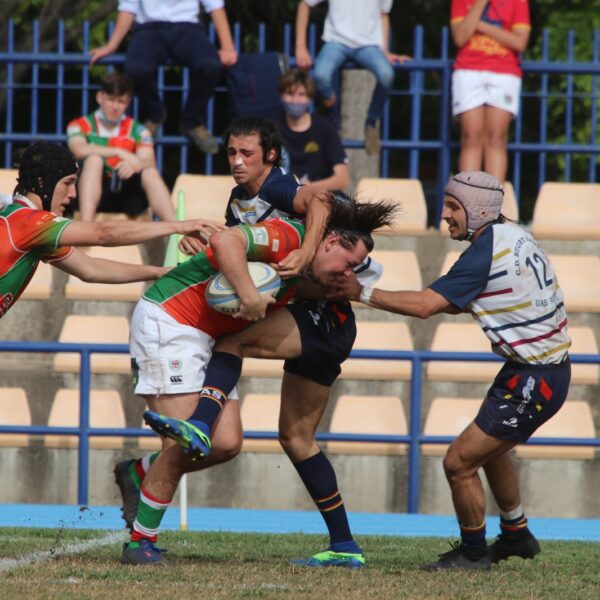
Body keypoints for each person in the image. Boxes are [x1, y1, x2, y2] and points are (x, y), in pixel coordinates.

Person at [115, 116, 391, 569]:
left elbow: (310, 205)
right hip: (172, 320)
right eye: (231, 153)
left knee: (226, 443)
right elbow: (228, 242)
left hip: (213, 329)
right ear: (332, 240)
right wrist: (242, 287)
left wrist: (281, 266)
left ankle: (142, 471)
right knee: (198, 441)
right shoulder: (277, 228)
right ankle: (140, 541)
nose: (238, 162)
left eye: (247, 153)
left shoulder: (286, 211)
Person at [331, 171, 571, 570]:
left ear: (478, 210)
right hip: (535, 370)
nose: (444, 215)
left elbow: (426, 305)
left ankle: (474, 553)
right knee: (491, 451)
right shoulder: (514, 235)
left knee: (458, 462)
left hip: (535, 377)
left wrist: (361, 292)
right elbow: (462, 299)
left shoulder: (483, 252)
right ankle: (516, 534)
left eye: (453, 207)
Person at [0, 140, 223, 318]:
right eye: (67, 183)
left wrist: (160, 272)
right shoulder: (29, 222)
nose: (73, 194)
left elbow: (90, 269)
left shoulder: (29, 226)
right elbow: (104, 234)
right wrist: (178, 226)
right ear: (42, 184)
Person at [89, 0, 238, 154]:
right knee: (136, 69)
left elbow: (215, 6)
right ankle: (155, 114)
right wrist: (111, 45)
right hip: (149, 28)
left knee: (210, 66)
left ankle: (192, 121)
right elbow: (128, 8)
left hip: (189, 28)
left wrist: (228, 46)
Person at [295, 0, 409, 155]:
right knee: (321, 75)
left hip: (368, 45)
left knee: (386, 75)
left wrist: (384, 50)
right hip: (335, 42)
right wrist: (300, 46)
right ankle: (332, 114)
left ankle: (371, 122)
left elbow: (383, 16)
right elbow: (305, 4)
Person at [67, 73, 175, 223]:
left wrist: (135, 164)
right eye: (111, 100)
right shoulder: (79, 125)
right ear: (99, 97)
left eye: (121, 101)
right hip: (89, 193)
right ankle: (86, 228)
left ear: (128, 102)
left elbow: (149, 160)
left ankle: (176, 231)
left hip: (126, 192)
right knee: (94, 160)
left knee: (149, 171)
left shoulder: (138, 130)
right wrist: (120, 152)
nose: (115, 107)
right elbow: (78, 149)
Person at [450, 0, 531, 182]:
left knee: (497, 137)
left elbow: (519, 42)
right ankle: (468, 200)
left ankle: (492, 202)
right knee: (471, 137)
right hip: (468, 70)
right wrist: (480, 4)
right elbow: (460, 37)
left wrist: (480, 25)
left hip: (504, 72)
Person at [276, 69, 349, 191]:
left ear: (310, 98)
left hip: (320, 197)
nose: (295, 100)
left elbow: (342, 179)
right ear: (281, 96)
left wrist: (307, 189)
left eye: (301, 94)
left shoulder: (325, 127)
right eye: (290, 93)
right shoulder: (272, 128)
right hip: (283, 198)